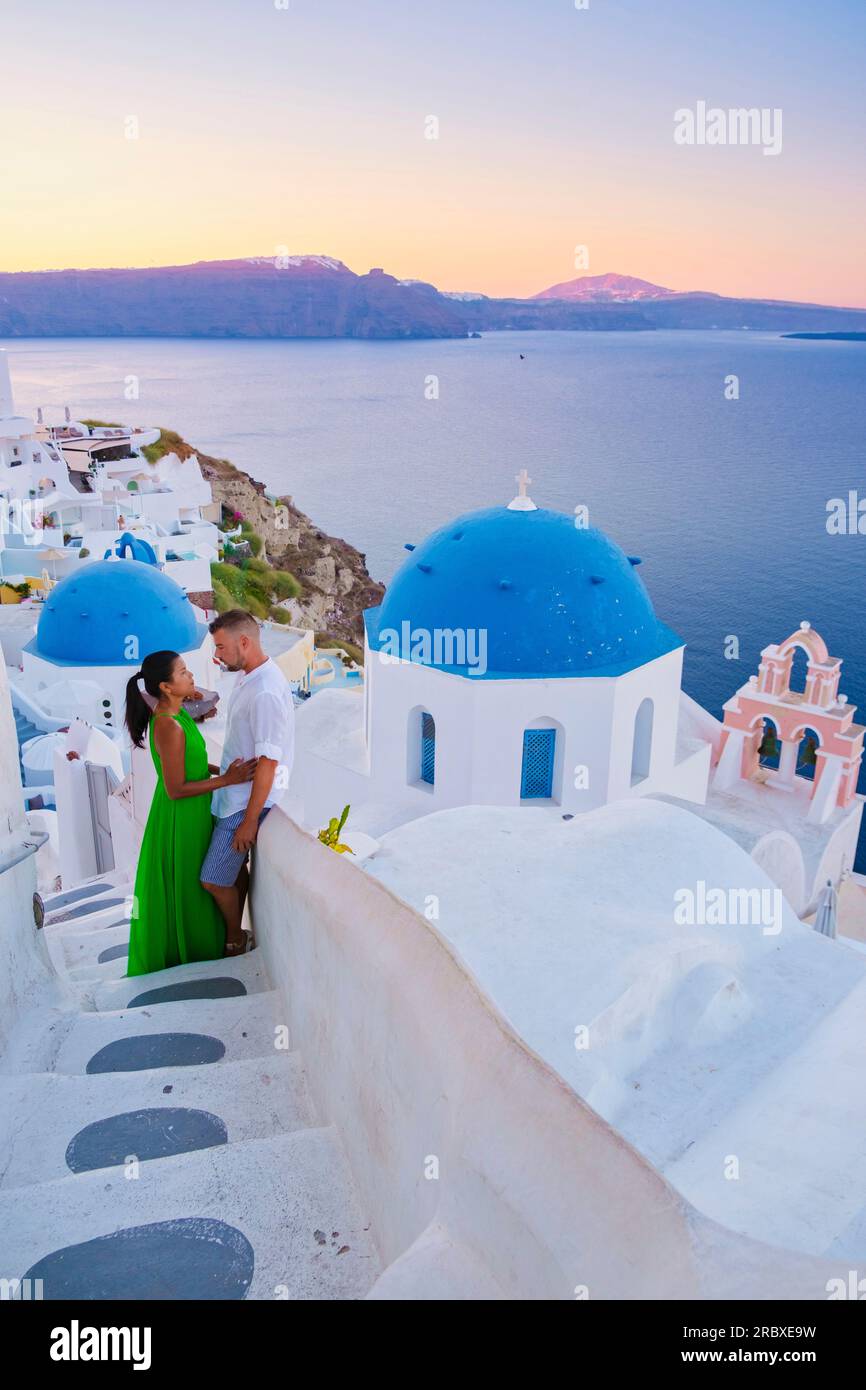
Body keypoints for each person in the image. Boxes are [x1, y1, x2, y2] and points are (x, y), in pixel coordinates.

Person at [124, 649, 257, 977]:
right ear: (166, 688)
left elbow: (193, 763)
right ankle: (218, 943)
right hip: (179, 816)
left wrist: (223, 770)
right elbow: (176, 788)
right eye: (183, 672)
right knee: (193, 884)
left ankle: (226, 938)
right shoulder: (168, 725)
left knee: (224, 874)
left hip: (194, 812)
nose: (191, 676)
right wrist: (227, 780)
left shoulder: (177, 712)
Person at [201, 610, 295, 954]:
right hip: (232, 796)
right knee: (234, 870)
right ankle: (238, 929)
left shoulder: (267, 691)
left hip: (243, 807)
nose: (217, 655)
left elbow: (269, 763)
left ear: (244, 642)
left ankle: (235, 937)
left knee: (212, 879)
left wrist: (250, 821)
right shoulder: (249, 676)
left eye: (222, 647)